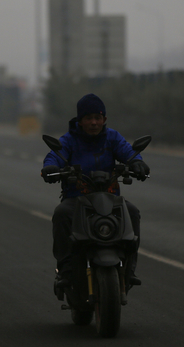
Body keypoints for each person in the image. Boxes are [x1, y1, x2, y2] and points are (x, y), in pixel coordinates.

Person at [41, 93, 150, 288]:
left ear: (104, 119)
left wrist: (136, 163)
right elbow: (55, 155)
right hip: (77, 198)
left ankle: (129, 269)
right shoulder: (69, 140)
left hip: (109, 198)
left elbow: (128, 152)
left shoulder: (112, 137)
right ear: (80, 121)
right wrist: (51, 168)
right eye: (88, 118)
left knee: (132, 212)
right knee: (61, 214)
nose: (93, 122)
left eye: (97, 118)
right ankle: (65, 271)